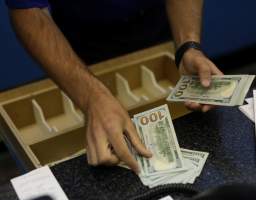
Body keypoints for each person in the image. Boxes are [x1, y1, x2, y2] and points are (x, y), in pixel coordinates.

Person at [6, 0, 223, 173]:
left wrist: (188, 45)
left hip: (155, 24)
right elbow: (28, 10)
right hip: (77, 42)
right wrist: (91, 97)